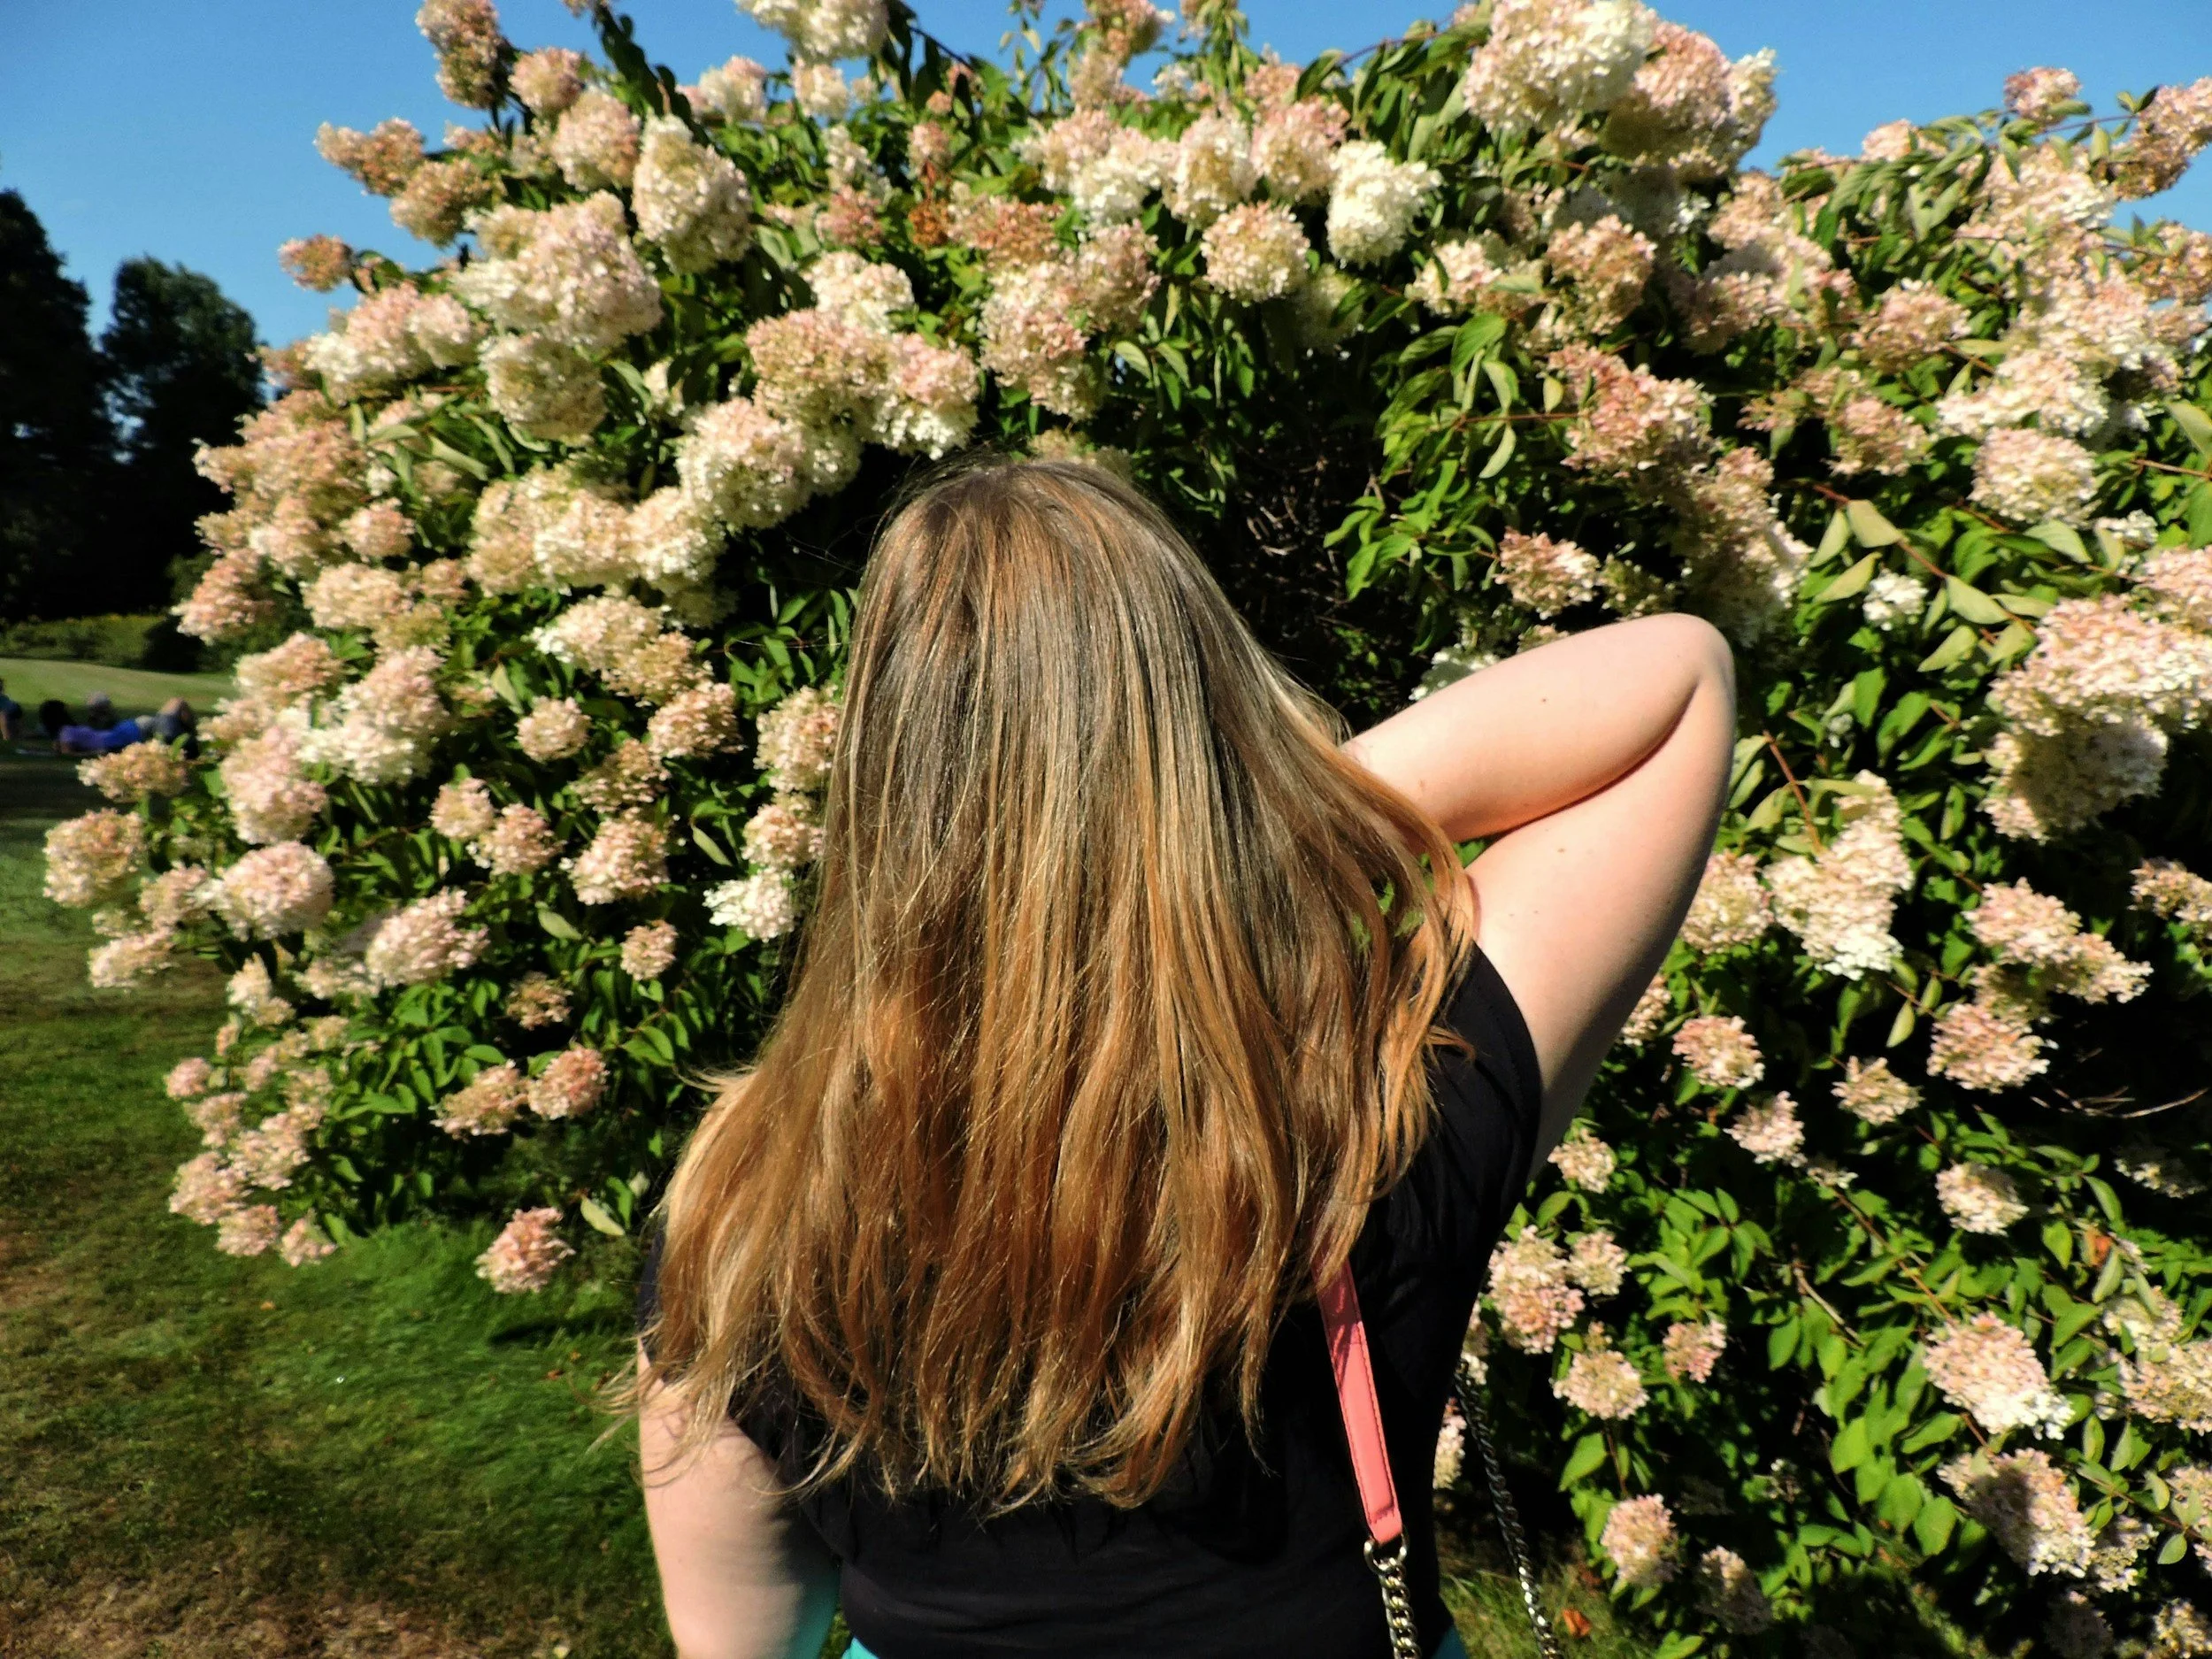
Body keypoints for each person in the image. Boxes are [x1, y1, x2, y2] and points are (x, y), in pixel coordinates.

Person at [632, 459, 1734, 1659]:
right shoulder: (1367, 1106)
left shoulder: (734, 1215)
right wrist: (1244, 844)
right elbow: (1676, 679)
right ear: (1216, 725)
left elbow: (737, 1638)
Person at [0, 677, 21, 742]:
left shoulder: (2, 700)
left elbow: (3, 716)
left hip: (13, 712)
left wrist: (5, 736)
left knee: (17, 733)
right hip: (10, 711)